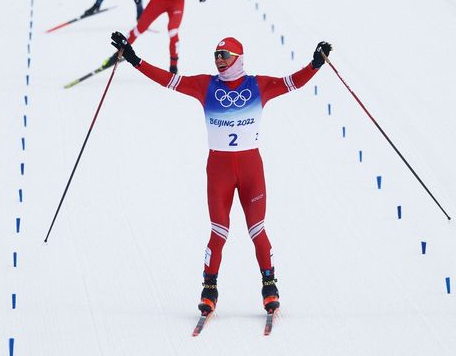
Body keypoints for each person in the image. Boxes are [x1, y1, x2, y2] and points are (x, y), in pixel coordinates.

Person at [108, 30, 332, 314]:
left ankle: (269, 285)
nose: (219, 60)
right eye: (216, 55)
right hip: (219, 171)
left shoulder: (258, 86)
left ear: (238, 58)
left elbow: (291, 83)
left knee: (257, 230)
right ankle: (209, 288)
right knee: (218, 231)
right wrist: (134, 59)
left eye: (224, 55)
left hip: (251, 169)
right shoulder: (205, 86)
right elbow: (169, 81)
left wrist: (315, 64)